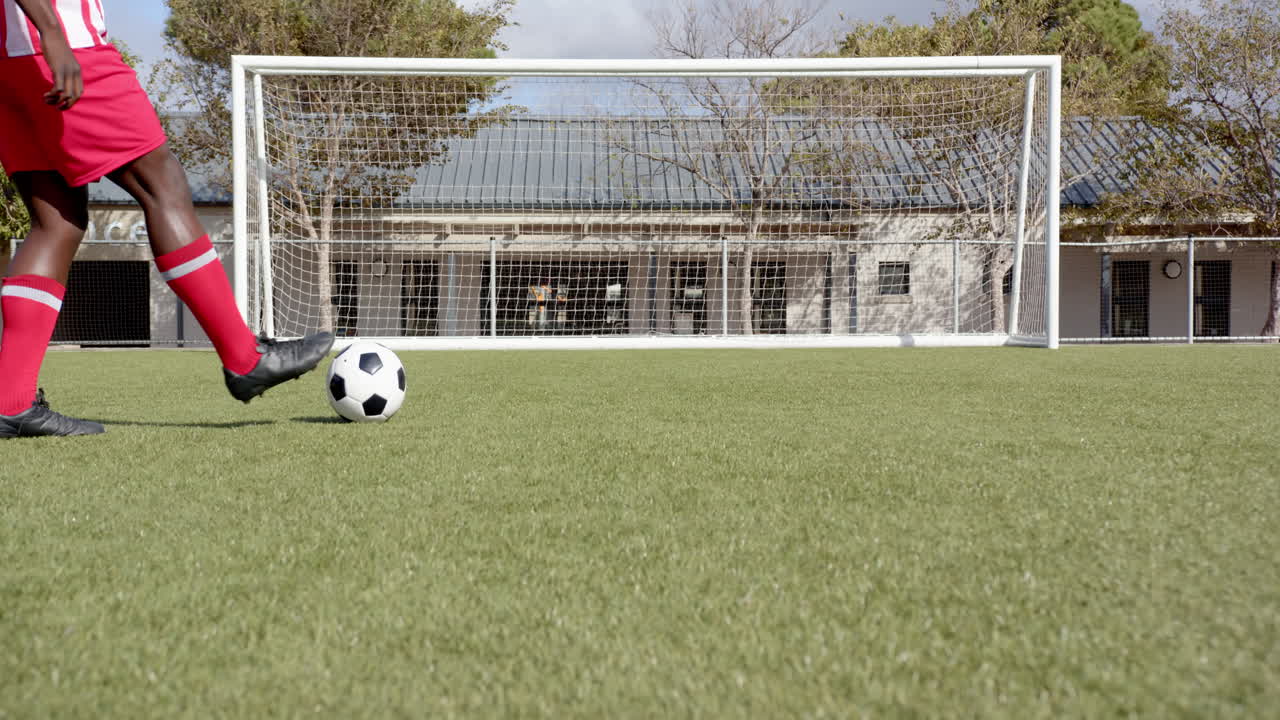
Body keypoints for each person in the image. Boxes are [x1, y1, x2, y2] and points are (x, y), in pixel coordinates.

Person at [0, 0, 334, 438]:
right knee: (163, 185)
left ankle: (11, 401)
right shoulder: (57, 34)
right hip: (62, 43)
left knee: (56, 221)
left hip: (8, 63)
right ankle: (245, 357)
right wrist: (52, 32)